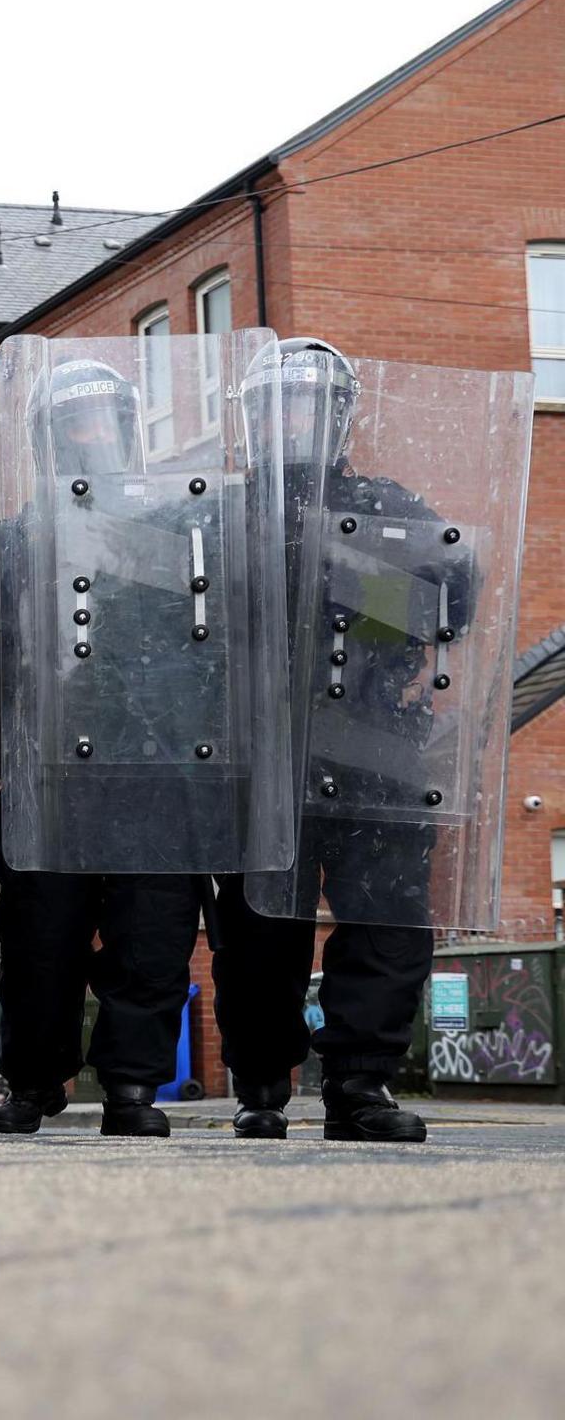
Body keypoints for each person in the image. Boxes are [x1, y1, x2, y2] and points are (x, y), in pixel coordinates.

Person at [209, 339, 480, 1144]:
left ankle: (362, 1081)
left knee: (391, 915)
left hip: (375, 745)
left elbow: (451, 601)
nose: (291, 421)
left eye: (306, 406)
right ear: (255, 418)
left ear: (336, 417)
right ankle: (261, 1080)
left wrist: (350, 575)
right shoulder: (218, 510)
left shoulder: (391, 504)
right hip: (260, 750)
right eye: (278, 407)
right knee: (260, 926)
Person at [0, 356, 217, 1138]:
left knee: (151, 938)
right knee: (38, 940)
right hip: (50, 774)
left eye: (101, 422)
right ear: (50, 441)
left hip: (158, 771)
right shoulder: (14, 540)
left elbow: (218, 646)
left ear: (127, 430)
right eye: (72, 425)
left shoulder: (188, 532)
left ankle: (130, 1085)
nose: (89, 440)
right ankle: (30, 1078)